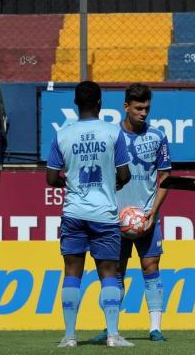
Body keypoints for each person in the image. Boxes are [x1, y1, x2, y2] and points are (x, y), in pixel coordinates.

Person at [46, 80, 132, 348]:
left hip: (74, 212)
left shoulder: (62, 135)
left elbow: (51, 177)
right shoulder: (113, 133)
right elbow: (124, 174)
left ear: (75, 104)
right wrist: (111, 183)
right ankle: (113, 335)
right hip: (103, 213)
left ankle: (70, 336)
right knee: (109, 272)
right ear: (99, 103)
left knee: (72, 271)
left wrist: (70, 183)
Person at [90, 83, 171, 344]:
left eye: (147, 108)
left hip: (146, 216)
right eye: (138, 108)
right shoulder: (112, 137)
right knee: (116, 272)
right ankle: (110, 327)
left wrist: (151, 214)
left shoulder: (158, 136)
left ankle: (155, 328)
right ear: (126, 107)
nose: (143, 113)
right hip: (115, 218)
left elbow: (165, 177)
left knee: (151, 266)